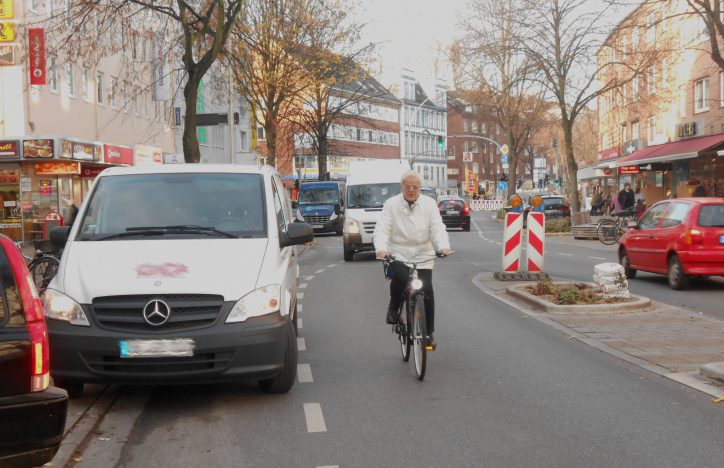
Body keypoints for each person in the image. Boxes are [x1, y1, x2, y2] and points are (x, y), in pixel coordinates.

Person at [374, 170, 451, 347]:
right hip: (397, 252)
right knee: (401, 278)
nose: (411, 189)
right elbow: (382, 229)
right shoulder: (391, 204)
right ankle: (393, 307)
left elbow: (437, 228)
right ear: (402, 187)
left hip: (424, 253)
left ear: (420, 188)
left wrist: (443, 246)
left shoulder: (429, 204)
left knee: (428, 291)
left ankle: (428, 334)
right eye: (407, 186)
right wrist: (381, 249)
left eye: (415, 186)